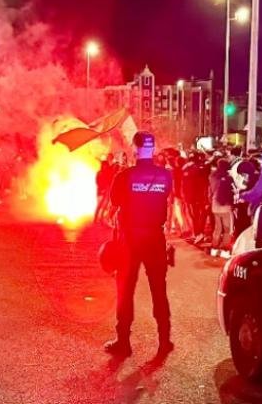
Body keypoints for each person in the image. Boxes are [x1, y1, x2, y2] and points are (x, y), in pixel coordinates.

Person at [104, 131, 174, 358]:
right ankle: (164, 341)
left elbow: (114, 203)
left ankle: (123, 342)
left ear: (134, 149)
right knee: (159, 290)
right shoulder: (166, 176)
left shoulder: (124, 176)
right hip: (155, 238)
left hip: (130, 240)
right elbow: (166, 200)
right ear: (153, 149)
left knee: (125, 290)